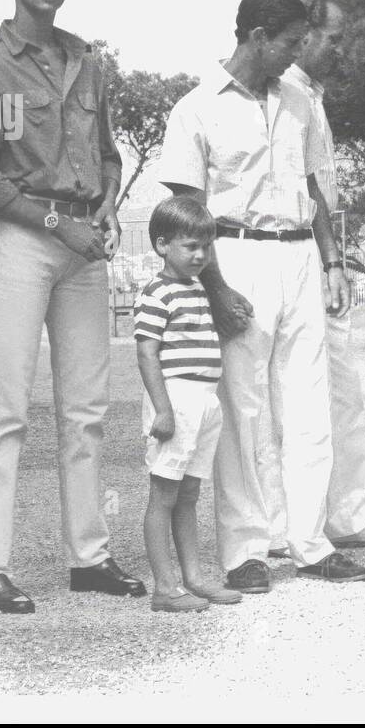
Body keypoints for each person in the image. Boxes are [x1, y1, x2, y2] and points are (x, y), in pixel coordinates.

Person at [0, 0, 145, 613]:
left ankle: (88, 558)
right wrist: (55, 223)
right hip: (21, 239)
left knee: (87, 411)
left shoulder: (86, 61)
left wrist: (111, 206)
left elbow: (110, 154)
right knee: (5, 408)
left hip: (83, 244)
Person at [153, 0, 365, 593]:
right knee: (242, 410)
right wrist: (215, 289)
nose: (299, 53)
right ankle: (245, 549)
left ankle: (311, 542)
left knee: (309, 406)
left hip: (299, 256)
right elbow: (184, 211)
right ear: (257, 38)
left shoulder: (298, 102)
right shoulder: (196, 109)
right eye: (291, 43)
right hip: (235, 256)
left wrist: (331, 259)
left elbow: (312, 187)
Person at [265, 0, 365, 550]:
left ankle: (346, 516)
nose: (342, 49)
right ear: (307, 36)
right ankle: (290, 526)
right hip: (306, 257)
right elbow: (307, 189)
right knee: (294, 400)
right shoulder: (286, 95)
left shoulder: (310, 96)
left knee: (341, 394)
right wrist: (332, 261)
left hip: (323, 257)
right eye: (335, 38)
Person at [135, 196, 243, 611]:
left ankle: (193, 577)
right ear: (163, 245)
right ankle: (164, 586)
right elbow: (146, 353)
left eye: (206, 246)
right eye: (190, 246)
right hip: (176, 400)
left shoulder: (196, 288)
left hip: (204, 400)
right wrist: (162, 409)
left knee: (189, 494)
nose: (200, 255)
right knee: (163, 495)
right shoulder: (156, 293)